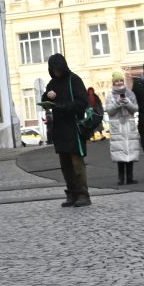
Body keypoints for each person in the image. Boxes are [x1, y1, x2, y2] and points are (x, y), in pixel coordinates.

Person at [40, 53, 91, 206]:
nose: (56, 72)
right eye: (53, 69)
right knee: (65, 165)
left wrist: (63, 107)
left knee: (77, 163)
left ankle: (83, 194)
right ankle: (72, 193)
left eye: (58, 69)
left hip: (73, 127)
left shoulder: (74, 80)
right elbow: (45, 99)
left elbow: (82, 102)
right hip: (60, 129)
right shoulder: (52, 83)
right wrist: (47, 96)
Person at [104, 73, 141, 184]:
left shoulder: (130, 94)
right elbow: (109, 111)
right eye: (117, 81)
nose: (119, 82)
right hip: (117, 126)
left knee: (130, 151)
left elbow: (135, 108)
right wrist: (117, 103)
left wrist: (128, 103)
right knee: (119, 152)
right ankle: (121, 178)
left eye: (121, 80)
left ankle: (130, 177)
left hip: (129, 125)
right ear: (113, 82)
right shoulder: (110, 95)